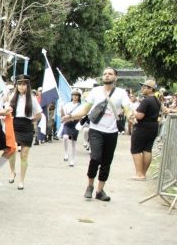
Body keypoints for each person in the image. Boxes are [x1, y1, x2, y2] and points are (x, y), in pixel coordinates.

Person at [67, 67, 131, 201]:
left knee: (107, 162)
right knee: (95, 158)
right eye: (105, 74)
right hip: (96, 130)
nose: (107, 76)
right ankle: (89, 186)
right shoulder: (95, 91)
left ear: (115, 77)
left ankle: (100, 191)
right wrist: (70, 116)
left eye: (110, 74)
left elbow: (127, 109)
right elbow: (85, 110)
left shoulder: (121, 93)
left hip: (112, 132)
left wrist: (131, 116)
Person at [7, 74, 42, 190]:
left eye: (24, 84)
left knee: (24, 156)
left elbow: (39, 113)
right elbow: (6, 110)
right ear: (16, 85)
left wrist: (32, 121)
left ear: (27, 85)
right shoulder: (12, 96)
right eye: (20, 84)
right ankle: (12, 171)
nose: (22, 87)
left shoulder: (32, 98)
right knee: (11, 151)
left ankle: (21, 180)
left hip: (27, 127)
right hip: (14, 125)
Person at [130, 79, 161, 180]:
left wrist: (133, 112)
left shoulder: (146, 100)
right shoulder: (156, 100)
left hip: (143, 127)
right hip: (153, 126)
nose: (142, 88)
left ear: (150, 89)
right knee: (147, 149)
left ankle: (139, 174)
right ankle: (143, 173)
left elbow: (139, 116)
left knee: (135, 150)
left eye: (144, 87)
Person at [60, 90, 82, 167]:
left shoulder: (81, 106)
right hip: (67, 123)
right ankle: (66, 153)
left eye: (77, 95)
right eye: (73, 95)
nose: (75, 96)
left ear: (79, 97)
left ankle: (73, 160)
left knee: (74, 143)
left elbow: (81, 117)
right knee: (65, 137)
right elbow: (63, 115)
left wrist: (74, 118)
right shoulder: (67, 104)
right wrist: (61, 109)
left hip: (75, 124)